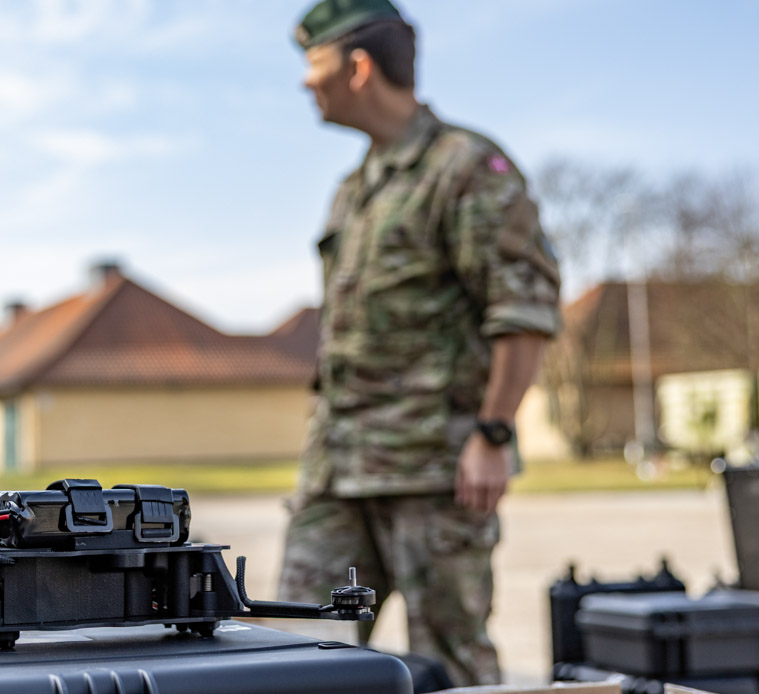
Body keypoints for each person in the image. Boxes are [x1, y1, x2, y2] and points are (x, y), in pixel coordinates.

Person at [277, 0, 562, 685]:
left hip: (435, 472)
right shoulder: (355, 190)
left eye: (313, 66)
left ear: (359, 66)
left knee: (451, 660)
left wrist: (492, 433)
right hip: (339, 470)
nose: (305, 84)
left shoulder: (465, 167)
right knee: (291, 651)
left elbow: (522, 308)